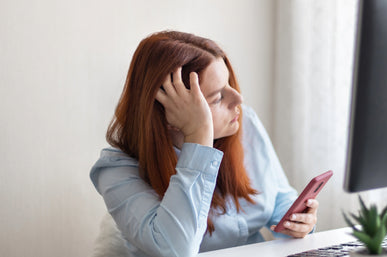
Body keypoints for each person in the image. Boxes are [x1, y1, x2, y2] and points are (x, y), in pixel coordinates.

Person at [90, 30, 319, 257]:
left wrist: (298, 222)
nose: (238, 98)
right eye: (218, 97)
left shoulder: (245, 122)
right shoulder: (116, 171)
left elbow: (279, 196)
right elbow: (176, 250)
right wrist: (199, 137)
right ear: (170, 114)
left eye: (229, 83)